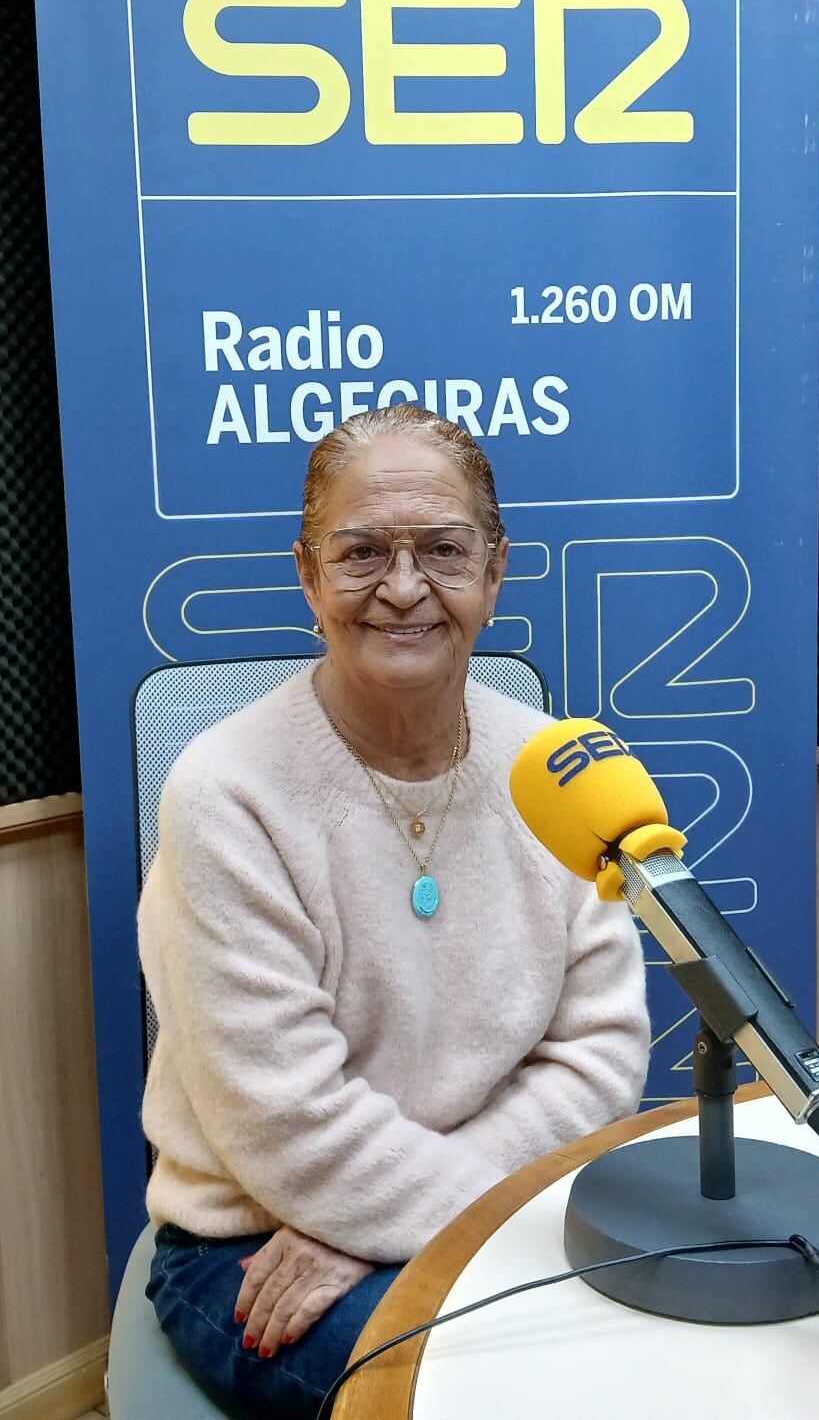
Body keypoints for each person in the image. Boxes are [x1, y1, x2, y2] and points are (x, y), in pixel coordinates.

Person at [138, 406, 652, 1418]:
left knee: (655, 1363)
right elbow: (286, 1121)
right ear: (308, 575)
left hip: (475, 1206)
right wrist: (425, 1219)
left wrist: (403, 1222)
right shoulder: (225, 794)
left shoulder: (556, 769)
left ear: (495, 571)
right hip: (257, 1243)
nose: (405, 588)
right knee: (510, 1398)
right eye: (363, 552)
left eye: (443, 551)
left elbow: (599, 1057)